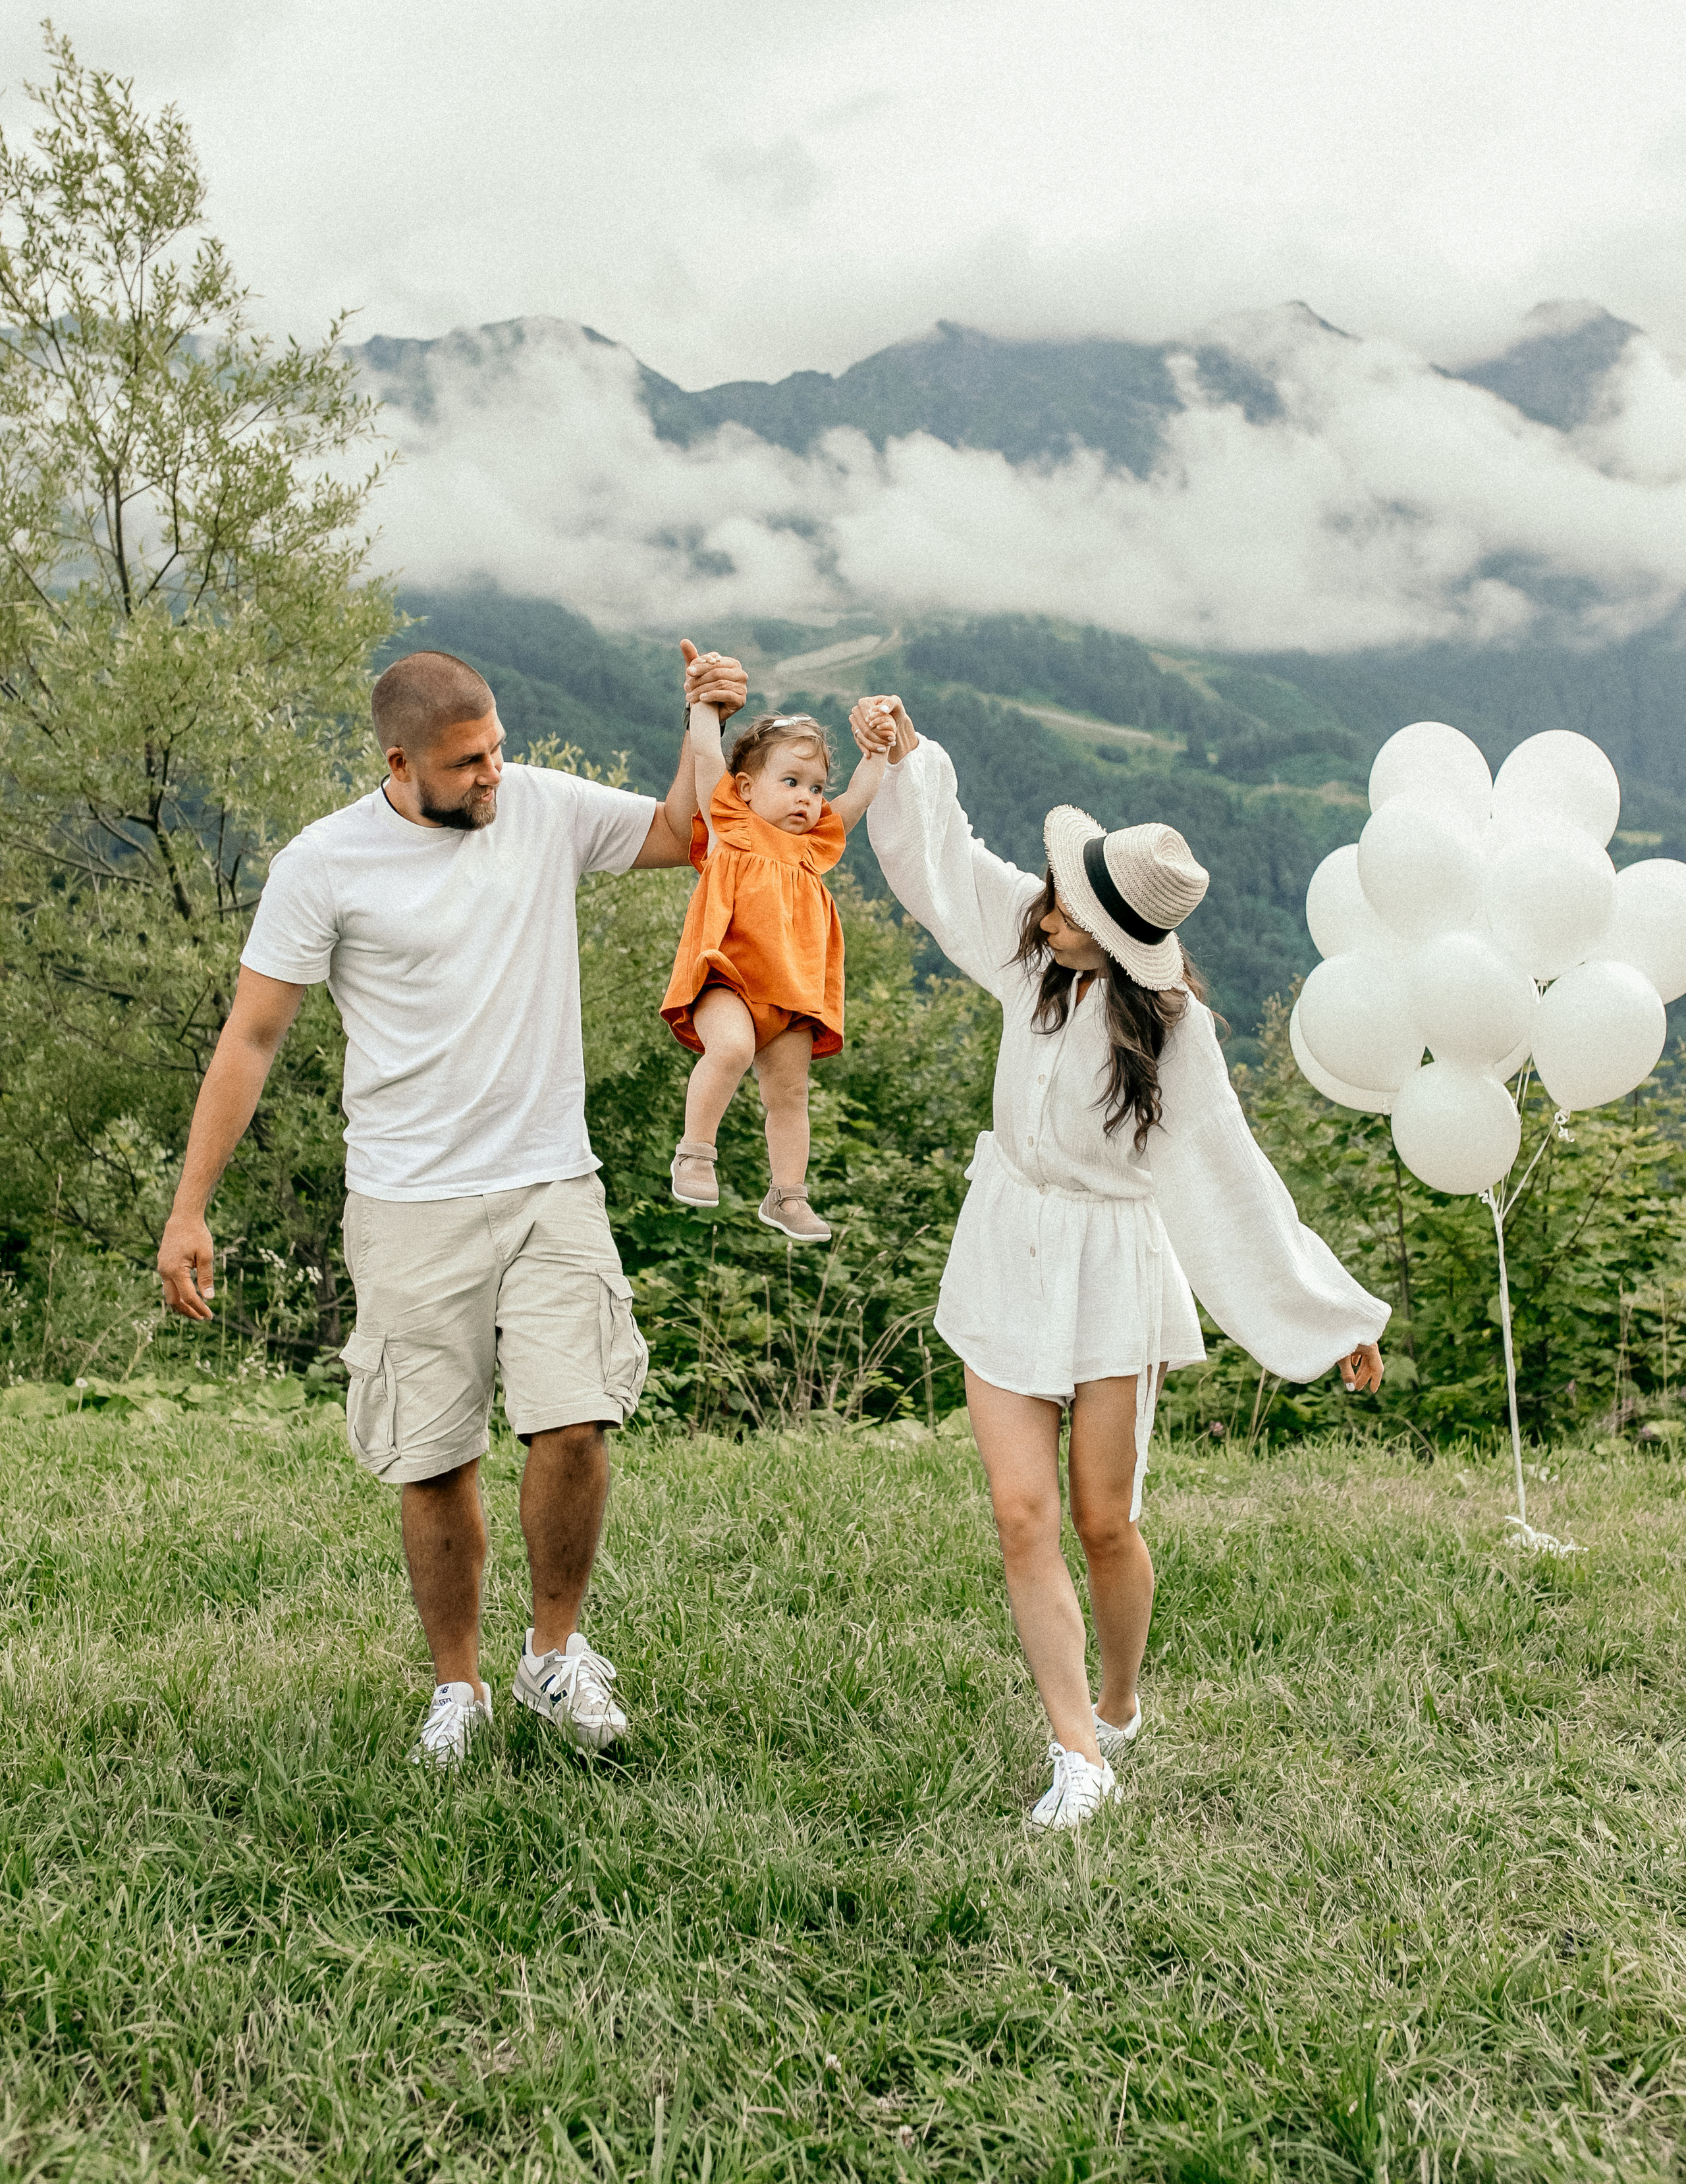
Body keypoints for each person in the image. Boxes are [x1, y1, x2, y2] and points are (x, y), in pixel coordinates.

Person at [156, 640, 749, 1768]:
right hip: (408, 1198)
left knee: (574, 1425)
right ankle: (458, 1686)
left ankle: (554, 1656)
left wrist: (703, 721)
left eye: (498, 751)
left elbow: (687, 835)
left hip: (549, 1180)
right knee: (434, 1460)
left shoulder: (540, 809)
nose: (492, 775)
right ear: (400, 761)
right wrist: (191, 1209)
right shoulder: (324, 863)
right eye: (468, 761)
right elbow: (253, 1035)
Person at [852, 693, 1388, 1832]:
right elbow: (947, 866)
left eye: (1073, 914)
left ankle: (1121, 1698)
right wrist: (908, 758)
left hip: (1109, 1266)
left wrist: (1328, 1315)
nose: (1048, 914)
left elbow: (1233, 1181)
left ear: (1125, 940)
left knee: (1104, 1521)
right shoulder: (1028, 946)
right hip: (1006, 1243)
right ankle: (1077, 1754)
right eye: (1054, 899)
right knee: (1020, 1513)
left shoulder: (1175, 1038)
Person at [660, 692, 895, 1241]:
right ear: (746, 788)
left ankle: (788, 1195)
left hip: (791, 993)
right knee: (734, 1049)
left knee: (789, 1093)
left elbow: (860, 794)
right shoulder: (730, 823)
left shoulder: (815, 846)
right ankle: (695, 1152)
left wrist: (878, 751)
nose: (807, 799)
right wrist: (702, 706)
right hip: (727, 980)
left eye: (816, 788)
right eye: (790, 782)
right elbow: (707, 754)